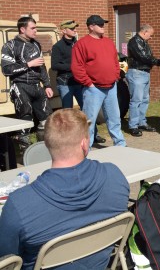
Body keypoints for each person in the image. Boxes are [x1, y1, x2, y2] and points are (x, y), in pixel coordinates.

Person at [0, 108, 130, 270]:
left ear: (46, 144)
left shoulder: (19, 205)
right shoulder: (115, 177)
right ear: (84, 144)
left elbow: (6, 261)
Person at [71, 15, 127, 147]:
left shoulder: (108, 42)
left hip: (111, 86)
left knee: (114, 118)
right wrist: (89, 84)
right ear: (91, 27)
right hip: (94, 89)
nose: (103, 26)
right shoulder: (81, 44)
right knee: (89, 121)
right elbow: (77, 67)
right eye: (100, 24)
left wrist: (116, 76)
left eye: (103, 24)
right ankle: (85, 148)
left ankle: (120, 144)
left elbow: (115, 61)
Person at [0, 16, 53, 147]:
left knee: (47, 121)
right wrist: (28, 64)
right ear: (22, 29)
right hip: (20, 86)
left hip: (37, 86)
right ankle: (25, 151)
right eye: (33, 28)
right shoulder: (10, 46)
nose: (36, 31)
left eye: (36, 28)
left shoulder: (36, 44)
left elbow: (42, 66)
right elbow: (6, 70)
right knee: (25, 121)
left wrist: (47, 85)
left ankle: (46, 149)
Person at [51, 19, 106, 144]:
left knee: (88, 109)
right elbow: (54, 65)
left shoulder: (78, 44)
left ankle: (93, 135)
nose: (75, 30)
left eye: (75, 28)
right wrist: (73, 66)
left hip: (79, 82)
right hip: (65, 83)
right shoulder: (58, 46)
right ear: (64, 30)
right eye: (72, 28)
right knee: (67, 113)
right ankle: (67, 138)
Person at [126, 24, 160, 136]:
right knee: (136, 100)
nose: (151, 37)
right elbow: (143, 56)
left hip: (145, 73)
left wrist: (155, 61)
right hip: (137, 73)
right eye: (150, 35)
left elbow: (147, 56)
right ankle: (133, 125)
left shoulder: (143, 42)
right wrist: (158, 62)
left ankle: (141, 122)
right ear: (145, 32)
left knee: (145, 99)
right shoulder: (134, 42)